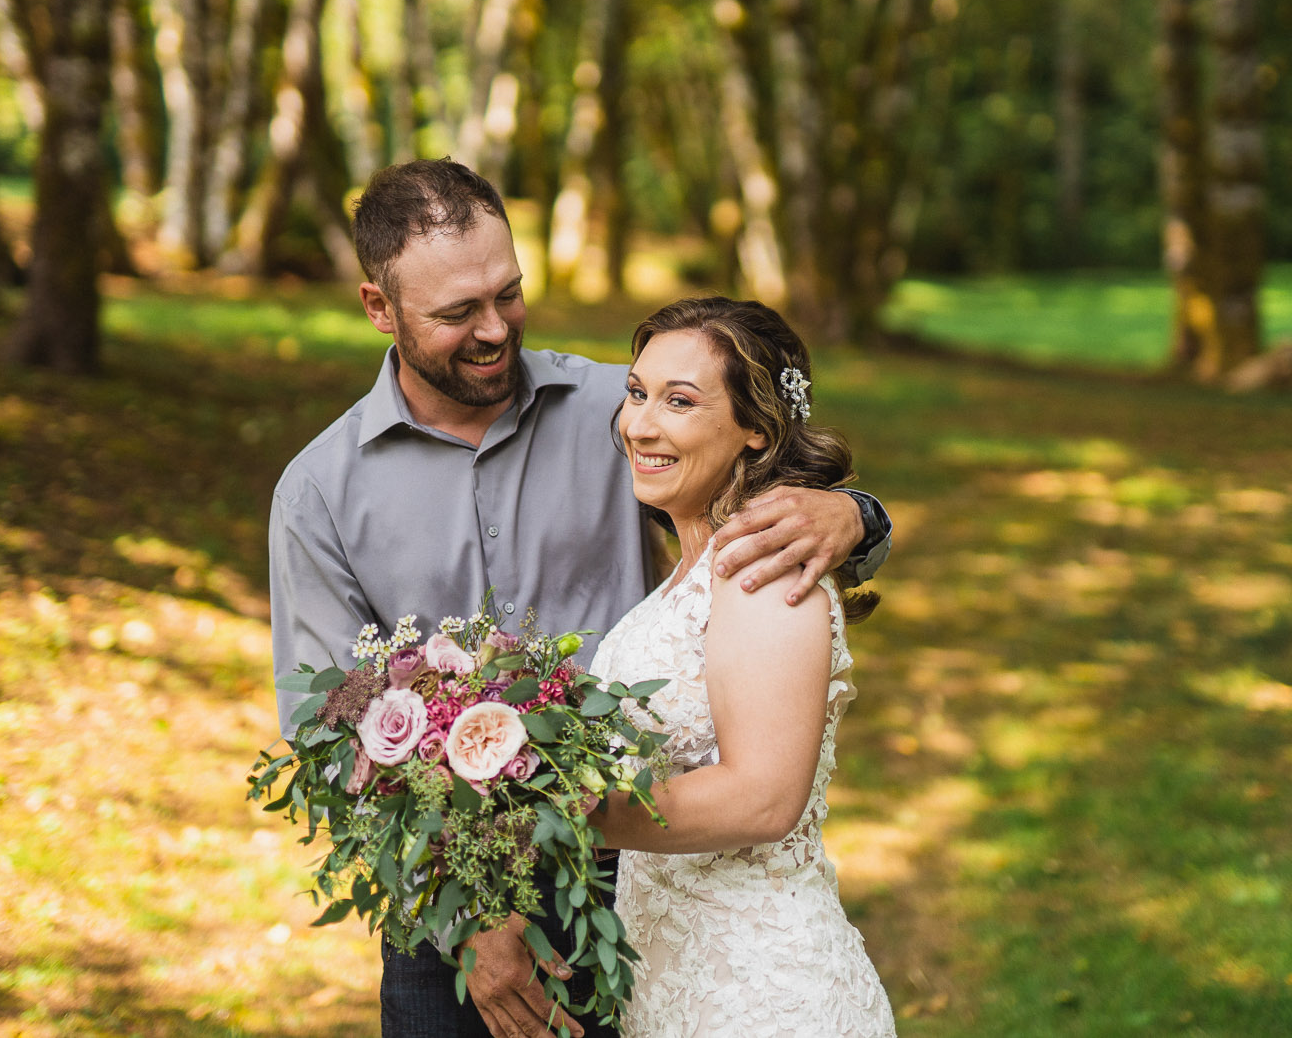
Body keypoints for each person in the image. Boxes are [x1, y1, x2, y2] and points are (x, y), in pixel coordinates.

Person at [268, 159, 895, 1038]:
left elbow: (751, 471)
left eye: (509, 293)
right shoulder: (319, 494)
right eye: (458, 312)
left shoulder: (625, 408)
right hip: (447, 919)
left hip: (636, 877)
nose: (495, 329)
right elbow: (328, 734)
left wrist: (855, 514)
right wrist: (470, 912)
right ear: (380, 307)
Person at [586, 297, 894, 1038]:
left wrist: (569, 816)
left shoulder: (762, 567)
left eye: (680, 401)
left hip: (758, 995)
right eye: (637, 393)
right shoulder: (697, 566)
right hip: (679, 985)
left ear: (756, 426)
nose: (640, 425)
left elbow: (764, 797)